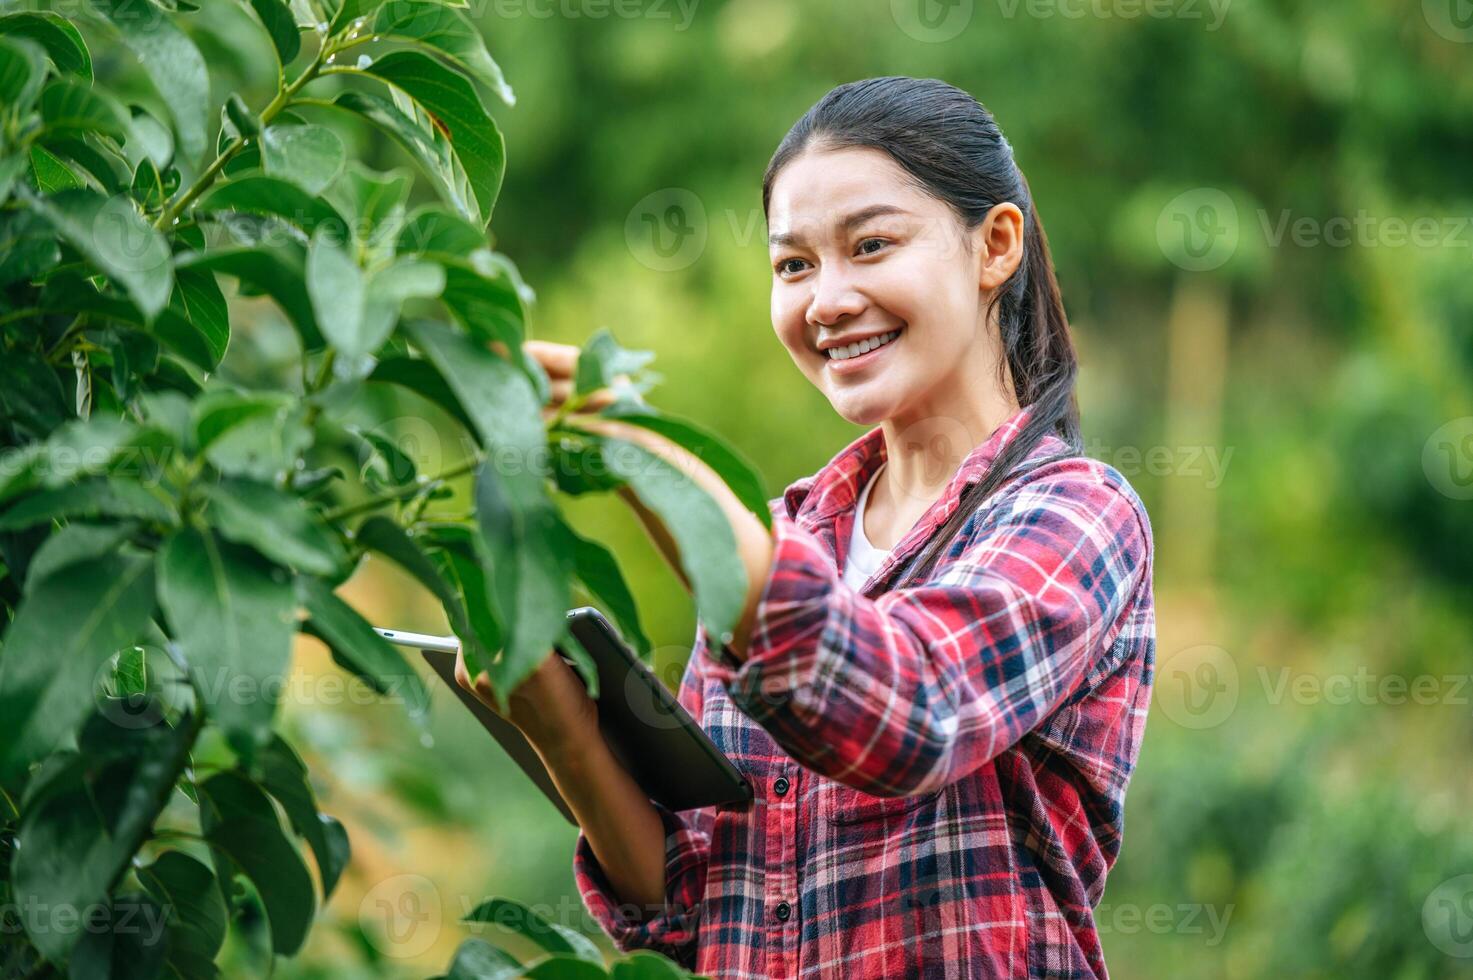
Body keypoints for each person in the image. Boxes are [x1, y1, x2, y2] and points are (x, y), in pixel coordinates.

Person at [456, 75, 1156, 979]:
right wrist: (562, 735)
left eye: (870, 245)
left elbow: (911, 712)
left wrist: (639, 450)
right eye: (793, 265)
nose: (826, 300)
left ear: (995, 246)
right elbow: (691, 908)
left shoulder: (1075, 513)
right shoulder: (789, 533)